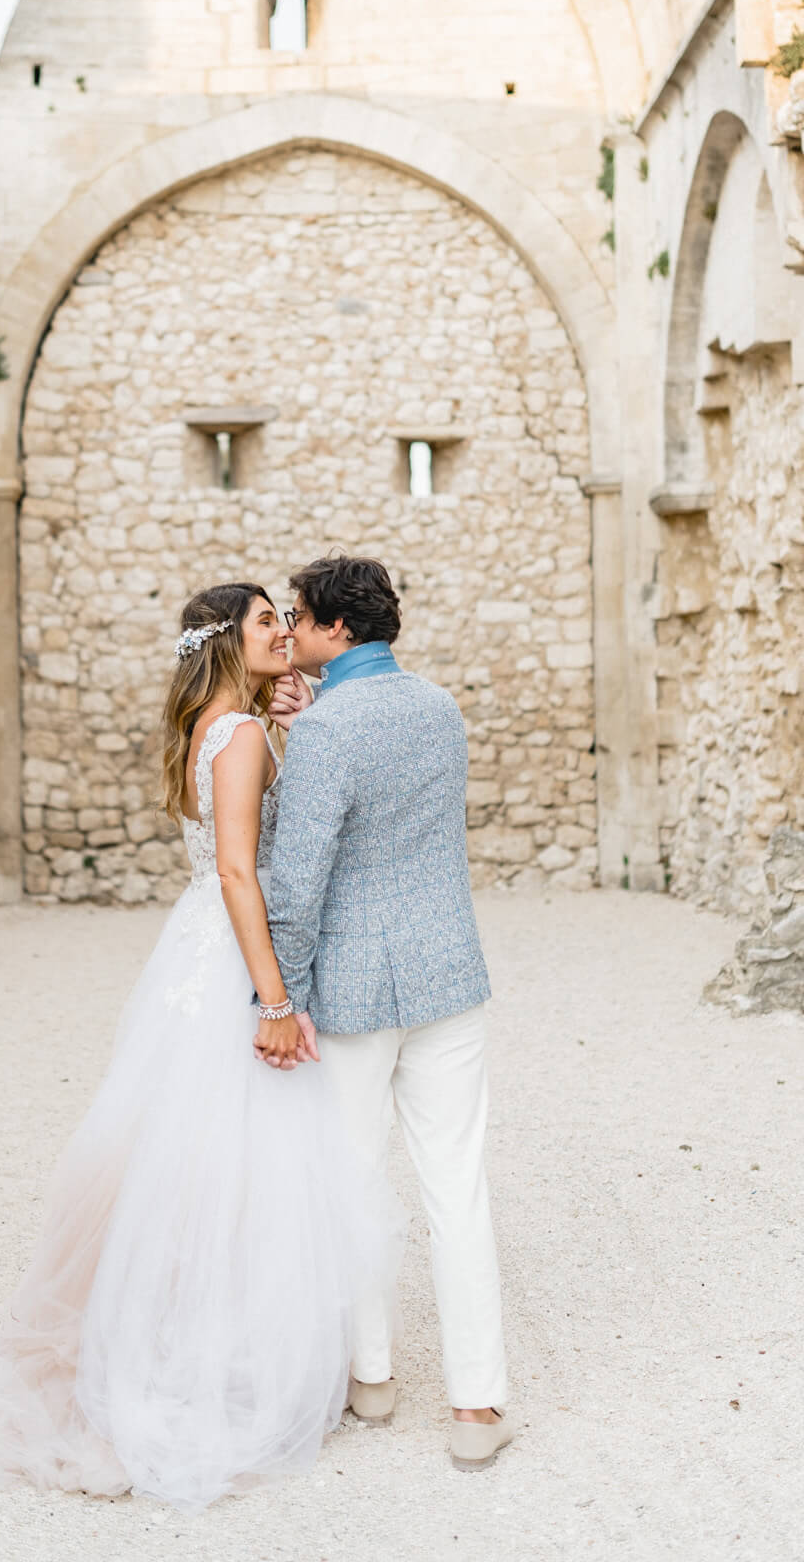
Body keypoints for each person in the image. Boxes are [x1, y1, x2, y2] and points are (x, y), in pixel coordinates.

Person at [0, 582, 391, 1512]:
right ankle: (205, 1357)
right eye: (268, 621)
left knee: (190, 1151)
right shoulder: (238, 736)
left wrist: (291, 721)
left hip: (195, 944)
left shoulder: (220, 722)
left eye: (289, 617)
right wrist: (273, 998)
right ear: (229, 643)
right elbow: (241, 867)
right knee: (234, 1154)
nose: (286, 631)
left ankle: (179, 1330)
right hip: (234, 951)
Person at [267, 553, 513, 1471]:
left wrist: (276, 996)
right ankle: (477, 1405)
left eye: (295, 617)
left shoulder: (329, 729)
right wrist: (309, 728)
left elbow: (298, 882)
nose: (286, 632)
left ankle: (371, 1377)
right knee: (458, 1186)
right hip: (448, 972)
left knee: (356, 1179)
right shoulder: (439, 707)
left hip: (356, 987)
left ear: (334, 629)